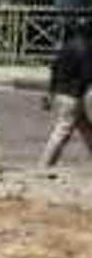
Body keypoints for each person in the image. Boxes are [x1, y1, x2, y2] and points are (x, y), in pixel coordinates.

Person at [40, 20, 92, 167]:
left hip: (62, 94)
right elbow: (87, 75)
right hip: (73, 96)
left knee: (87, 129)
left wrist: (50, 93)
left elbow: (54, 70)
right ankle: (44, 166)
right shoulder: (86, 48)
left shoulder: (66, 46)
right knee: (62, 131)